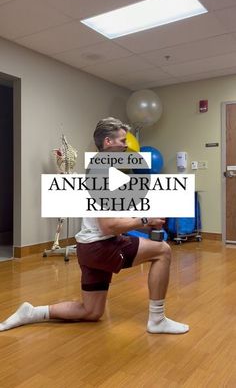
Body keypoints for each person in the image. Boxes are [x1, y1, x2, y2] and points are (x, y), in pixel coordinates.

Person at [0, 117, 189, 334]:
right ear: (108, 142)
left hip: (88, 247)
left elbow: (110, 217)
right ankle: (157, 320)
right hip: (102, 246)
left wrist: (146, 221)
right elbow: (108, 227)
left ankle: (32, 312)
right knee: (162, 251)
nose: (127, 145)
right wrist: (146, 220)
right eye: (122, 140)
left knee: (91, 312)